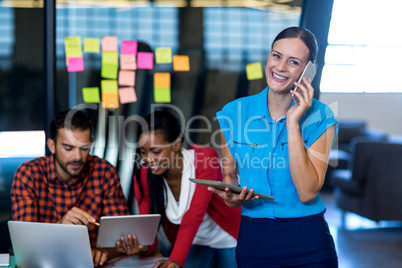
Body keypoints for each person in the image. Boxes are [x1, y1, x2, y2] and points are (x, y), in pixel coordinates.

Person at [210, 26, 339, 267]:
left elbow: (307, 192)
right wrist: (232, 199)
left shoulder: (322, 116)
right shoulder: (233, 113)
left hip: (308, 239)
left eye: (293, 62)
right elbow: (230, 177)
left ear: (308, 70)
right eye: (276, 56)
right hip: (254, 237)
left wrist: (293, 122)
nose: (280, 68)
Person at [115, 110, 241, 268]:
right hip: (193, 241)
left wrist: (175, 260)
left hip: (228, 237)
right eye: (143, 152)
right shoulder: (144, 175)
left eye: (156, 151)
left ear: (176, 144)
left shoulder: (205, 159)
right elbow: (148, 226)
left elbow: (195, 214)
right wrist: (143, 245)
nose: (148, 159)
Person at [11, 108, 130, 266]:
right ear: (52, 146)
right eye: (68, 148)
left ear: (92, 144)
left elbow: (121, 236)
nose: (77, 157)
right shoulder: (29, 174)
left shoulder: (105, 172)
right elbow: (25, 247)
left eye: (84, 148)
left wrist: (104, 253)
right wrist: (60, 227)